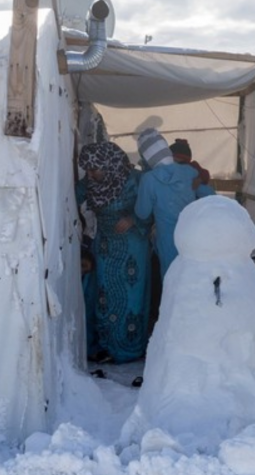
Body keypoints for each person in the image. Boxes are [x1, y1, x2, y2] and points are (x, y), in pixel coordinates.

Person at [78, 141, 153, 364]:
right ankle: (105, 347)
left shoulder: (136, 180)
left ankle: (128, 349)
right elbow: (67, 195)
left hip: (133, 248)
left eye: (94, 169)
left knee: (132, 298)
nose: (90, 174)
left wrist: (133, 219)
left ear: (109, 164)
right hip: (104, 247)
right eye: (88, 170)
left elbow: (152, 209)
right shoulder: (89, 184)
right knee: (103, 296)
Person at [135, 128, 206, 279]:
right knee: (192, 279)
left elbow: (142, 213)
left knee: (171, 281)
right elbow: (210, 195)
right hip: (192, 235)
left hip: (167, 239)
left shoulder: (149, 179)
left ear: (147, 157)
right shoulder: (188, 171)